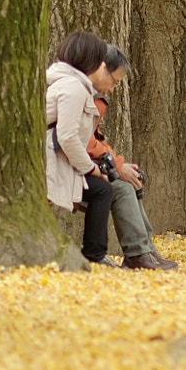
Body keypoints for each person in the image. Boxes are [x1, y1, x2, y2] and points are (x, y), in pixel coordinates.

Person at [89, 47, 177, 270]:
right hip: (72, 170)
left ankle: (145, 249)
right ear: (101, 69)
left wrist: (118, 162)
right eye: (114, 81)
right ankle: (137, 253)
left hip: (83, 164)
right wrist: (116, 165)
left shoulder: (92, 97)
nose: (112, 89)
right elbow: (79, 140)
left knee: (131, 181)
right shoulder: (81, 95)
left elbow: (91, 139)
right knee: (123, 188)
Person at [44, 31, 119, 266]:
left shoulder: (67, 82)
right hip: (52, 159)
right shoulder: (74, 87)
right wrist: (91, 169)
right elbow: (67, 136)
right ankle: (94, 255)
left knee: (101, 191)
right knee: (101, 189)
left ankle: (95, 253)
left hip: (57, 157)